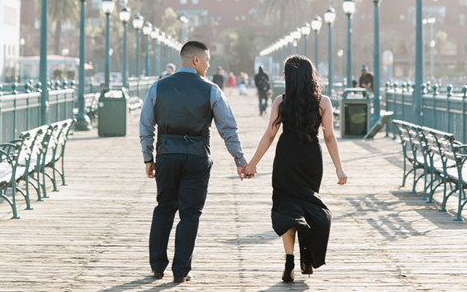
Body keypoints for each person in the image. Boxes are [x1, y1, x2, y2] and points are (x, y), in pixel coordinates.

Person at [139, 41, 248, 282]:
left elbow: (146, 125)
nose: (209, 65)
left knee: (164, 208)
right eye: (207, 60)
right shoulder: (211, 91)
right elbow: (227, 128)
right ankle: (181, 272)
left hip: (166, 155)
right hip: (197, 157)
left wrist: (148, 157)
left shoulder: (157, 87)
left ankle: (157, 266)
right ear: (196, 60)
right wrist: (239, 159)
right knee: (190, 215)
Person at [243, 55, 348, 283]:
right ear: (311, 75)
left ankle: (290, 261)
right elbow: (329, 137)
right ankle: (306, 257)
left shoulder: (281, 101)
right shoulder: (323, 102)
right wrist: (339, 168)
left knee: (287, 207)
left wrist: (253, 164)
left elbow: (270, 133)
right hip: (311, 159)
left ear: (287, 76)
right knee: (307, 204)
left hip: (286, 158)